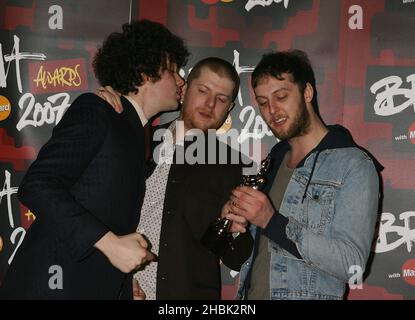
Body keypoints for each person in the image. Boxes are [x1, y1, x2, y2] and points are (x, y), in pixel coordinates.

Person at [0, 20, 190, 299]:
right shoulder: (98, 111)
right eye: (173, 70)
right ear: (144, 74)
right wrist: (111, 245)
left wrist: (123, 287)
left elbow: (112, 216)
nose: (181, 80)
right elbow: (38, 184)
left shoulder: (136, 134)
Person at [224, 49, 382, 300]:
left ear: (307, 92)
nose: (272, 110)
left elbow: (353, 266)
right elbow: (249, 260)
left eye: (281, 96)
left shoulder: (354, 164)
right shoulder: (271, 163)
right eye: (263, 103)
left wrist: (272, 221)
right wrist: (236, 230)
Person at [98, 57, 253, 300]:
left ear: (229, 108)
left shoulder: (232, 166)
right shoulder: (136, 138)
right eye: (203, 91)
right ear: (185, 89)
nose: (210, 104)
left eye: (221, 99)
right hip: (116, 289)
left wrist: (231, 231)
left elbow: (237, 258)